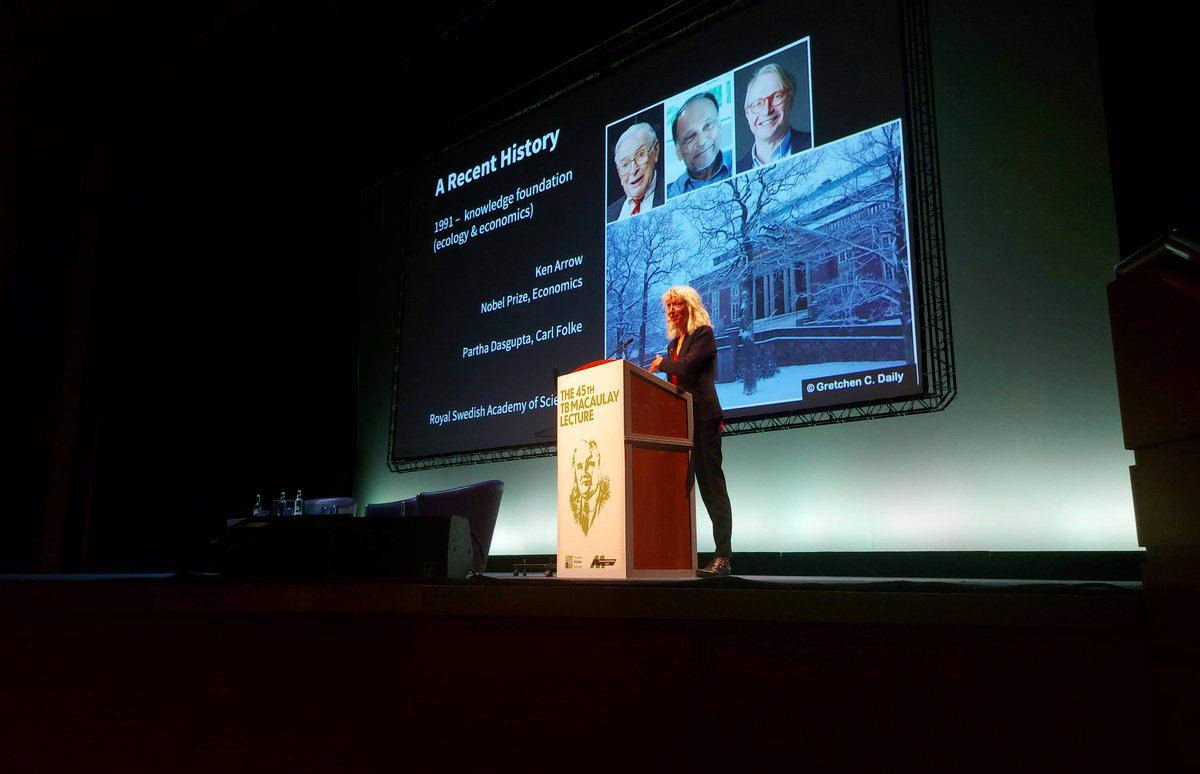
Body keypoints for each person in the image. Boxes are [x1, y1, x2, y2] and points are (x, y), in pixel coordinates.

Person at [648, 286, 733, 577]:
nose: (672, 310)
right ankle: (676, 555)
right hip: (679, 424)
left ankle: (723, 557)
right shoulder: (674, 345)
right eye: (669, 306)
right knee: (678, 489)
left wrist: (662, 364)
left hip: (704, 419)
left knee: (712, 488)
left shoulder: (703, 335)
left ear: (690, 305)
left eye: (677, 304)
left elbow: (686, 369)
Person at [736, 62, 812, 173]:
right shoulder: (736, 170)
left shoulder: (813, 142)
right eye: (757, 104)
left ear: (791, 98)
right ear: (748, 115)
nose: (766, 111)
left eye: (776, 97)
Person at [666, 92, 732, 198]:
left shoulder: (744, 161)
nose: (702, 142)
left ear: (719, 127)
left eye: (708, 126)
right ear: (678, 152)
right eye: (690, 137)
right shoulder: (671, 195)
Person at [606, 123, 664, 223]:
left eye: (640, 155)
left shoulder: (670, 192)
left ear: (656, 150)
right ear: (619, 174)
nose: (633, 170)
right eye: (625, 164)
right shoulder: (608, 213)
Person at [569, 439, 610, 536]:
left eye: (590, 464)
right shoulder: (571, 510)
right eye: (579, 466)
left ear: (598, 466)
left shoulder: (609, 505)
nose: (584, 473)